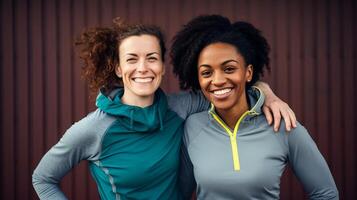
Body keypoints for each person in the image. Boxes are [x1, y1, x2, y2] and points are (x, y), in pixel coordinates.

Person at [32, 18, 296, 200]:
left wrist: (267, 93)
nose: (143, 68)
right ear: (118, 68)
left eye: (152, 58)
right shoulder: (93, 129)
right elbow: (43, 179)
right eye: (132, 59)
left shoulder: (180, 107)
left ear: (161, 66)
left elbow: (230, 89)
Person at [172, 15, 338, 200]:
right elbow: (179, 195)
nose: (217, 80)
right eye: (206, 72)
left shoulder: (282, 125)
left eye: (229, 69)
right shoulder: (192, 127)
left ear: (248, 72)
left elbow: (326, 193)